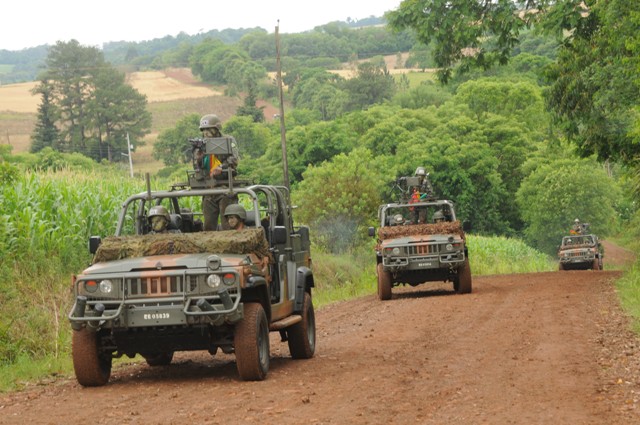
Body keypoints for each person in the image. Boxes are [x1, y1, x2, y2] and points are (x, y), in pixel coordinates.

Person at [199, 114, 240, 231]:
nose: (206, 132)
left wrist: (222, 167)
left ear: (216, 129)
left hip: (226, 186)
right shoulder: (201, 144)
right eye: (204, 130)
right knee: (208, 226)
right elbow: (199, 166)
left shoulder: (229, 140)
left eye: (209, 129)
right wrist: (199, 156)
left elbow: (234, 159)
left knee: (228, 225)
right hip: (210, 188)